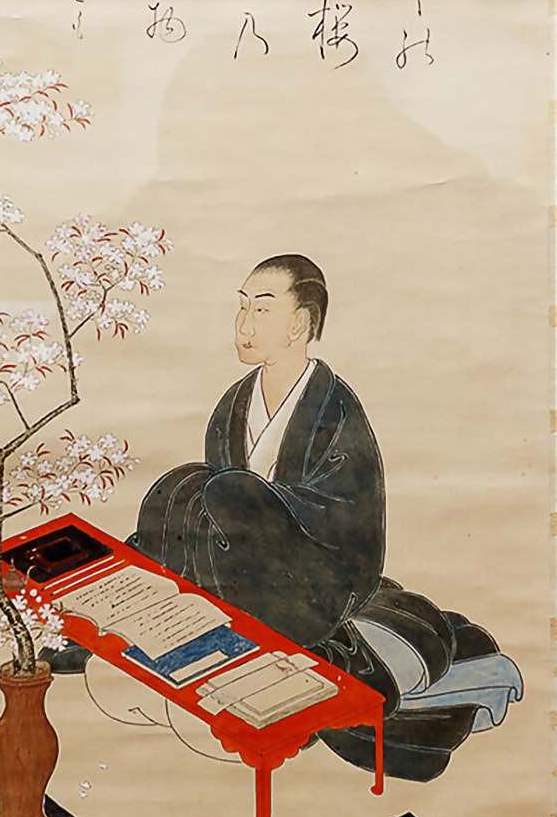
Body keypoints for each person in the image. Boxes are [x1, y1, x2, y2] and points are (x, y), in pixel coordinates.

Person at [128, 255, 522, 781]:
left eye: (261, 310)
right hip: (245, 577)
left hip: (321, 580)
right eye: (240, 308)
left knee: (223, 488)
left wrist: (252, 506)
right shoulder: (233, 405)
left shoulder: (333, 409)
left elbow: (347, 526)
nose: (243, 324)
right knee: (192, 484)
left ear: (299, 324)